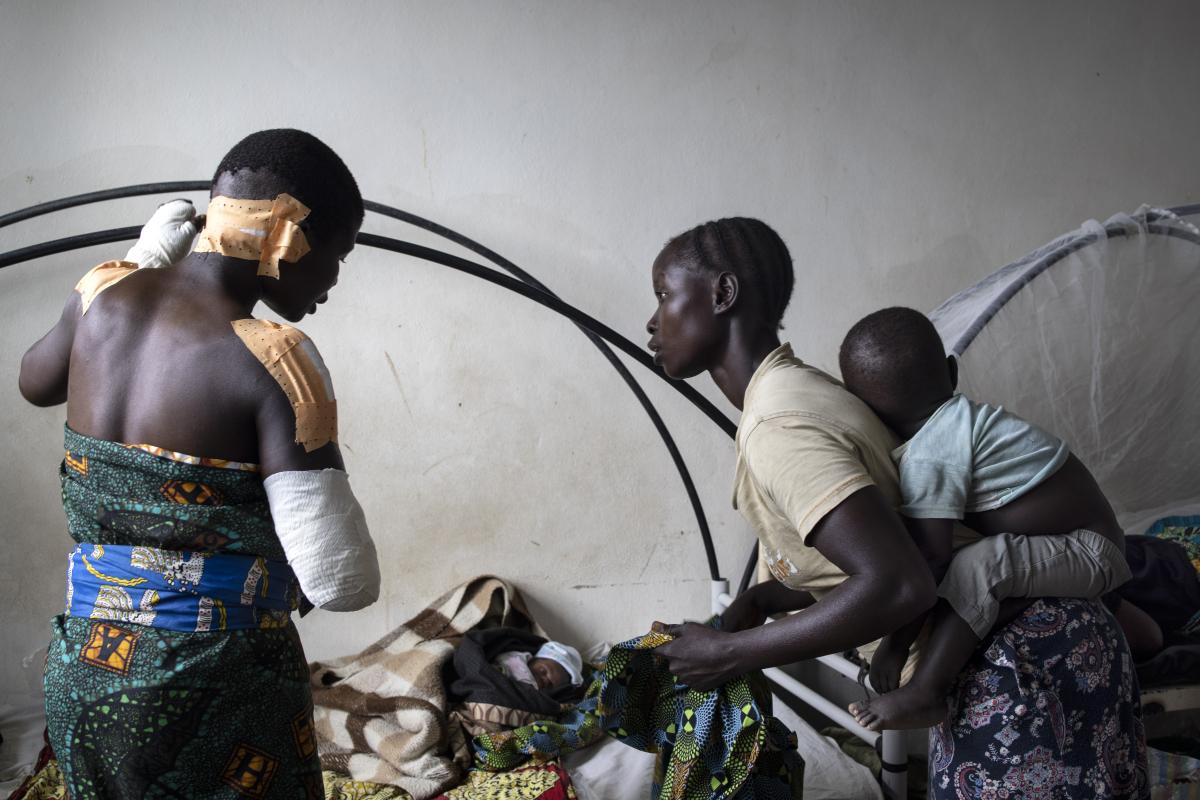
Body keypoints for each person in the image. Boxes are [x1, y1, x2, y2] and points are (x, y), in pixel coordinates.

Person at [646, 218, 1146, 798]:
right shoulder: (804, 391)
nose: (653, 321)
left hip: (1021, 669)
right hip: (1031, 650)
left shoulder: (778, 425)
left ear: (722, 295)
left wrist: (731, 654)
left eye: (663, 295)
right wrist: (759, 598)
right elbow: (873, 552)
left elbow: (898, 582)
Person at [19, 128, 380, 799]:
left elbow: (35, 382)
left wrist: (138, 261)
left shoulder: (103, 296)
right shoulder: (275, 357)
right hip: (215, 690)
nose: (333, 278)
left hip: (87, 678)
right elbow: (341, 582)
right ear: (286, 236)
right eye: (340, 253)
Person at [836, 306, 1131, 730]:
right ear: (951, 373)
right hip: (1089, 543)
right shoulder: (963, 422)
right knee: (976, 576)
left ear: (869, 415)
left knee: (978, 564)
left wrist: (895, 644)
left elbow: (931, 561)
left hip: (1091, 550)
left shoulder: (932, 454)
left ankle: (927, 693)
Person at [493, 640, 585, 691]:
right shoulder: (515, 659)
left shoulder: (540, 696)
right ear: (533, 659)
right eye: (543, 671)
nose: (544, 679)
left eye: (549, 684)